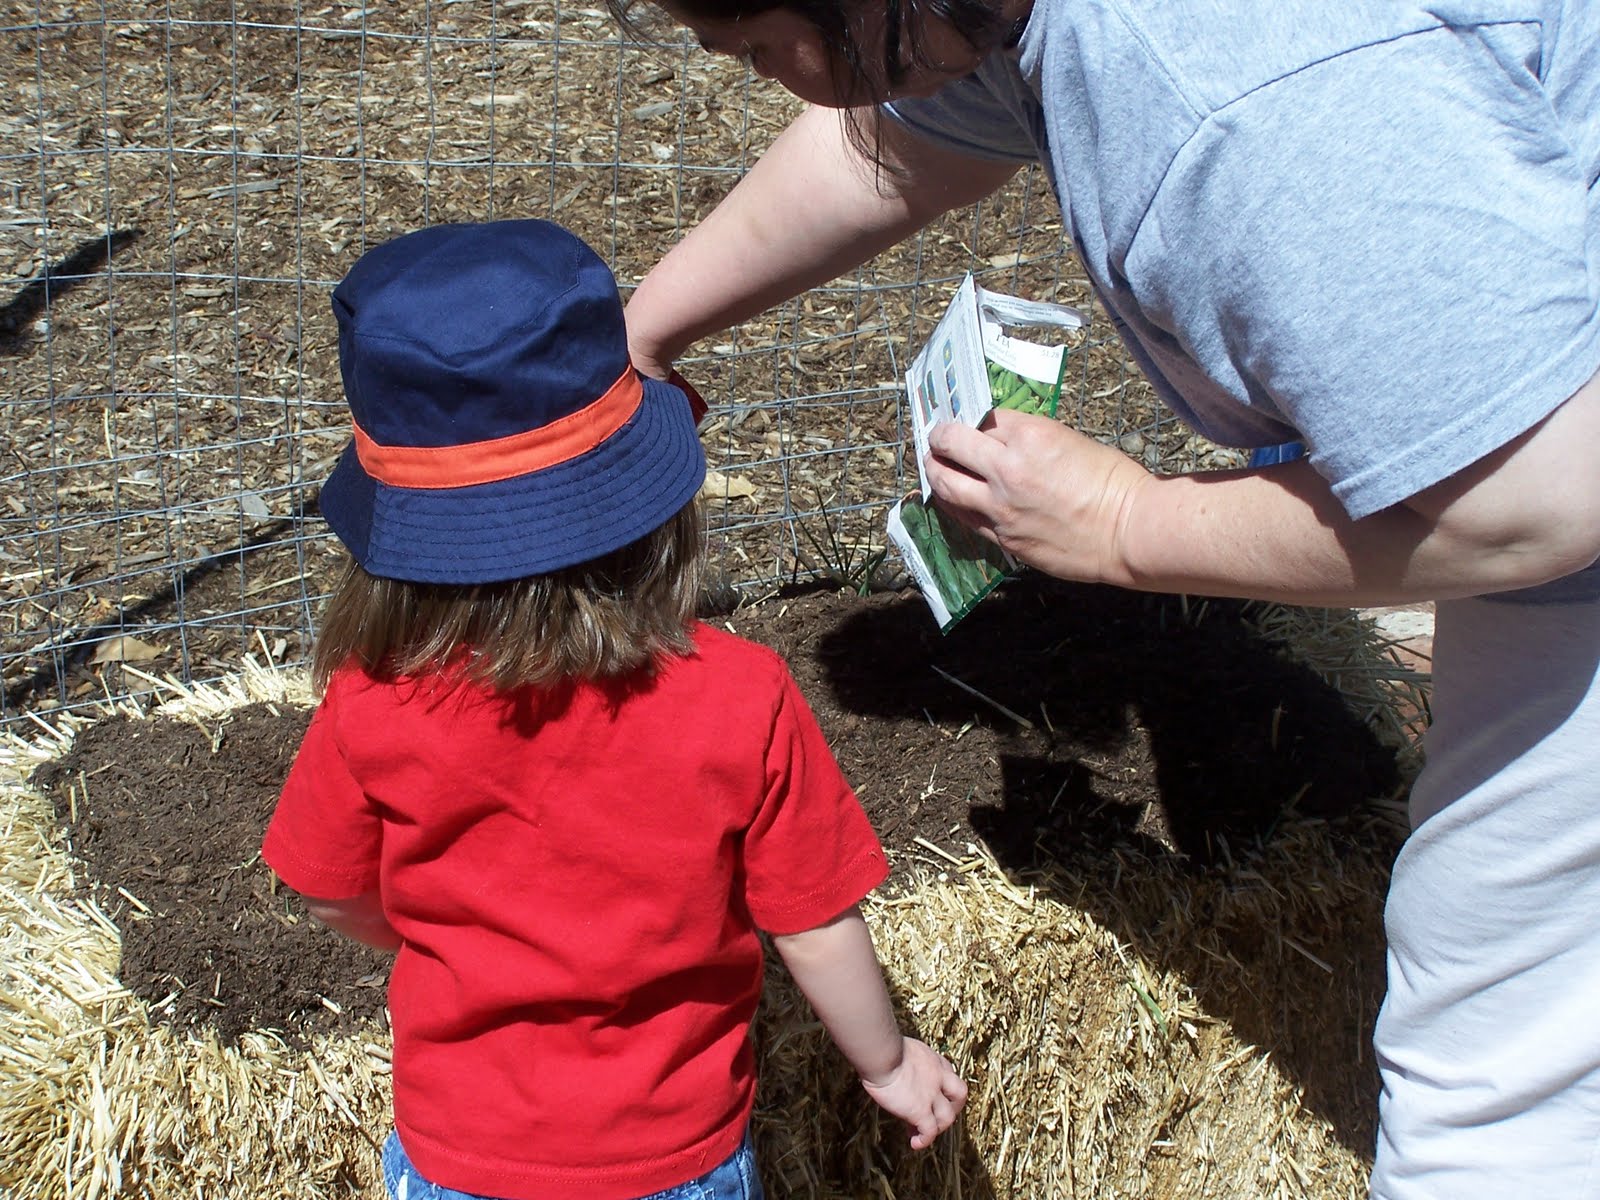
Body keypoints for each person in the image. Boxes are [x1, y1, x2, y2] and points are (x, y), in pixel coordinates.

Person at [612, 2, 1600, 1196]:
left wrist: (1127, 525)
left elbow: (1533, 499)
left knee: (1495, 1082)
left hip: (1555, 500)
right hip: (1547, 498)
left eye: (758, 36)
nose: (750, 67)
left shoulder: (1247, 98)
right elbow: (907, 136)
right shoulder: (998, 19)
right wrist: (642, 335)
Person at [261, 219, 968, 1200]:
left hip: (458, 1155)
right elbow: (812, 923)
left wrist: (444, 935)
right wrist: (887, 1065)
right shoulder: (740, 694)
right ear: (646, 501)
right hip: (677, 1154)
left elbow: (331, 889)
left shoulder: (371, 700)